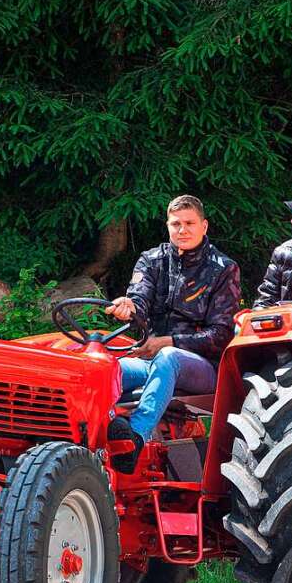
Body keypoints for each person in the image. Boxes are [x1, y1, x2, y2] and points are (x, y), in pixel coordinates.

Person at [105, 195, 241, 473]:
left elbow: (221, 335)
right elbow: (139, 303)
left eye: (189, 223)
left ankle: (135, 438)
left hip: (202, 368)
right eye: (176, 224)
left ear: (204, 226)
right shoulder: (152, 260)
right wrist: (129, 308)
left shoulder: (223, 269)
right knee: (105, 367)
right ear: (168, 226)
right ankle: (94, 437)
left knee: (168, 357)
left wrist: (169, 342)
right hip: (151, 359)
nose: (183, 230)